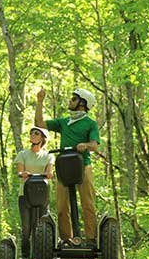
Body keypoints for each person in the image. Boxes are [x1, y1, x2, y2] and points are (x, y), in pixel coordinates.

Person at [35, 88, 100, 248]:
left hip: (83, 166)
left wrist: (85, 145)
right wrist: (39, 102)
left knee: (88, 204)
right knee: (62, 206)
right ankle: (67, 240)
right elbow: (40, 124)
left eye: (73, 99)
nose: (70, 101)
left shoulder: (90, 124)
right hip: (64, 166)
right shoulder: (64, 122)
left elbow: (94, 145)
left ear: (82, 103)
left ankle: (91, 239)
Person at [14, 127, 54, 259]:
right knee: (27, 227)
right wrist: (23, 173)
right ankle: (25, 256)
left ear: (42, 137)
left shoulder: (48, 155)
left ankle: (40, 256)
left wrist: (48, 174)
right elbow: (19, 171)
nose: (32, 135)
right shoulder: (23, 154)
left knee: (42, 226)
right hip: (25, 194)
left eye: (36, 133)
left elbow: (49, 172)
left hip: (42, 195)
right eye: (31, 133)